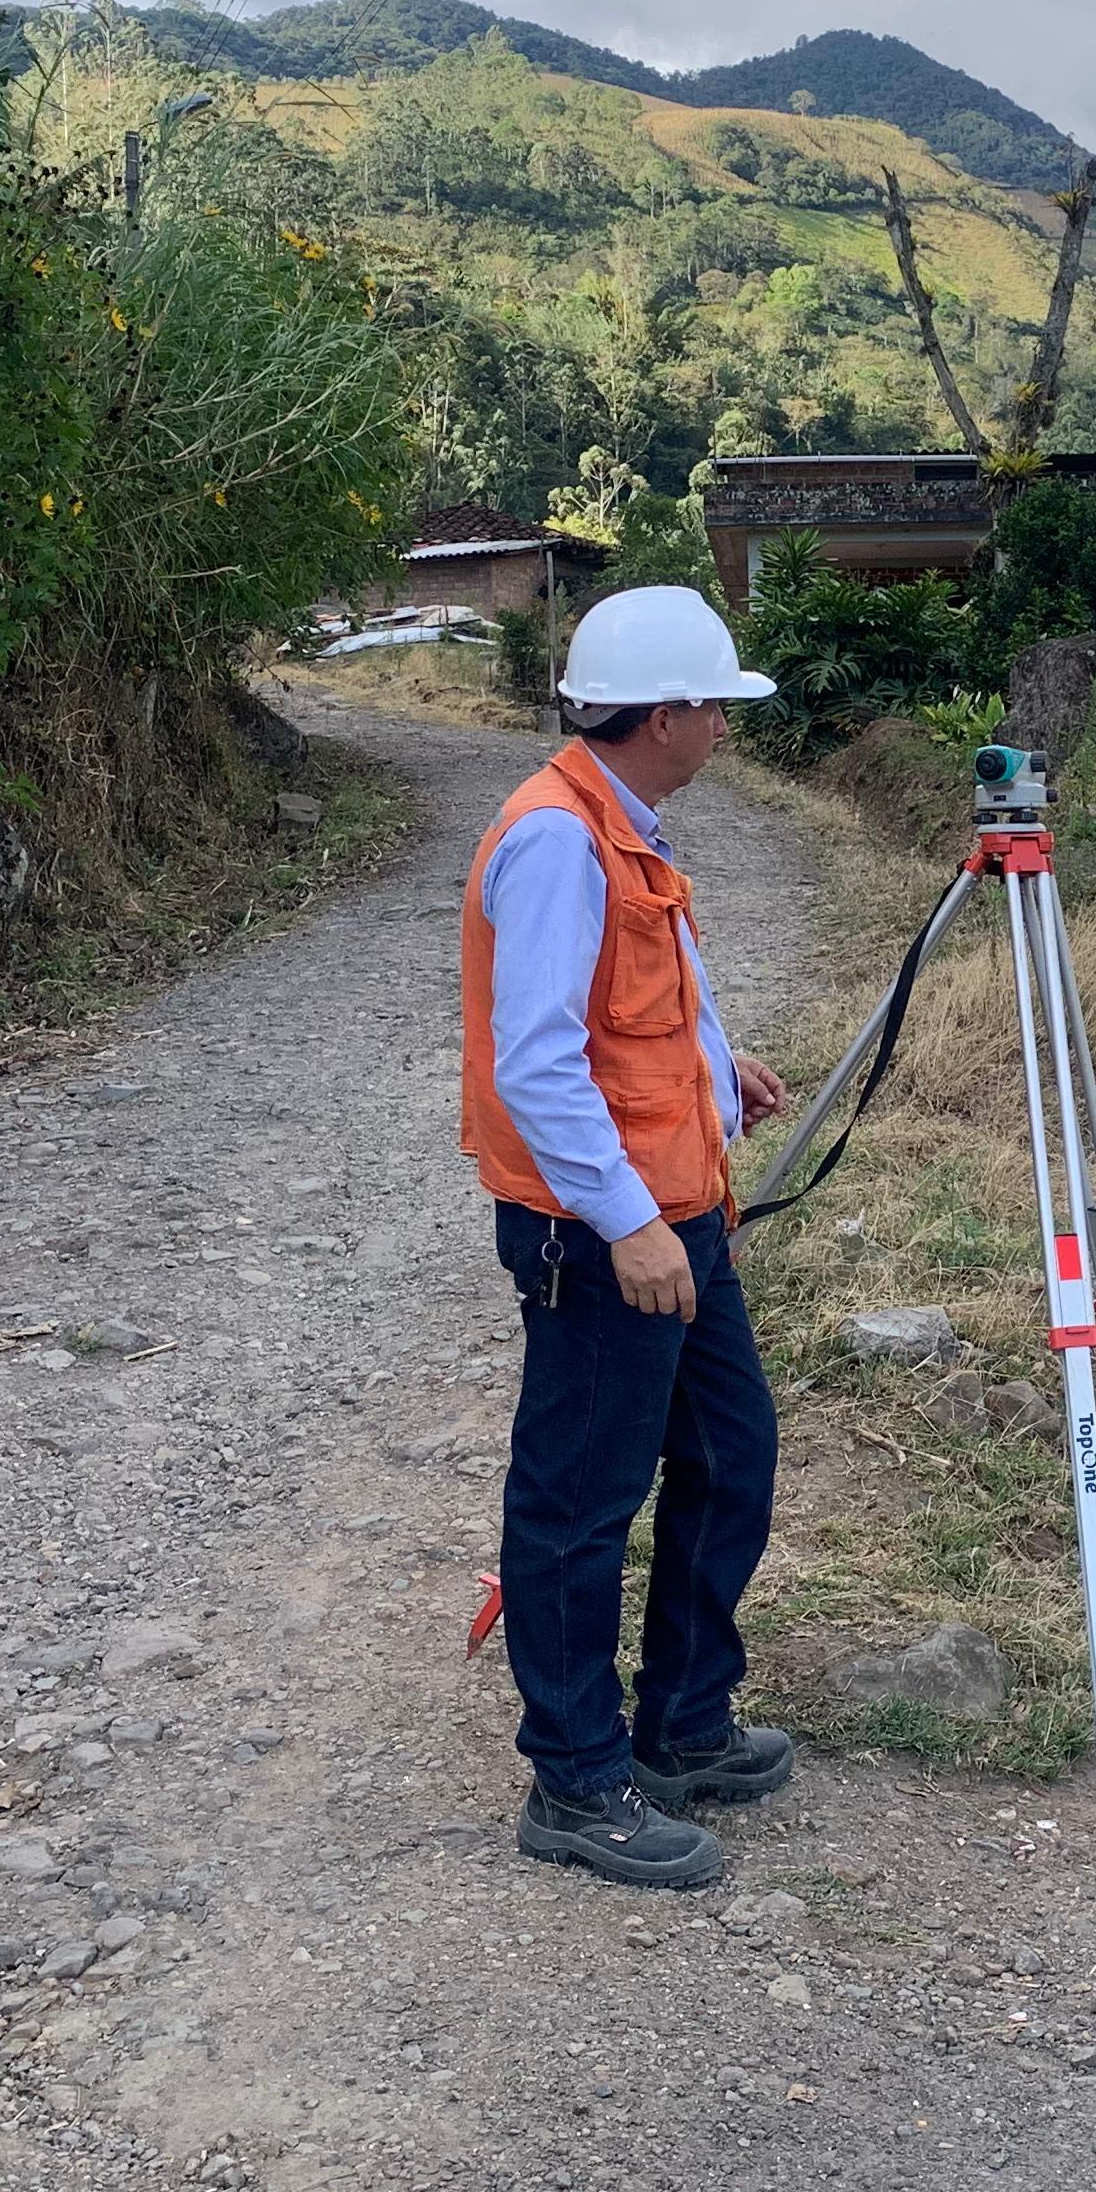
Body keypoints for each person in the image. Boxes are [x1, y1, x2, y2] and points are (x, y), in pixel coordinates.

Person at [461, 584, 798, 1891]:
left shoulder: (623, 826)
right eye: (715, 706)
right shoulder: (556, 839)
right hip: (605, 1237)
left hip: (675, 1216)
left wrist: (720, 1075)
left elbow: (633, 1011)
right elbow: (539, 1067)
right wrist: (628, 1223)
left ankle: (683, 1726)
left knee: (731, 1455)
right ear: (663, 715)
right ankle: (577, 1778)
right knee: (578, 1502)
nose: (724, 727)